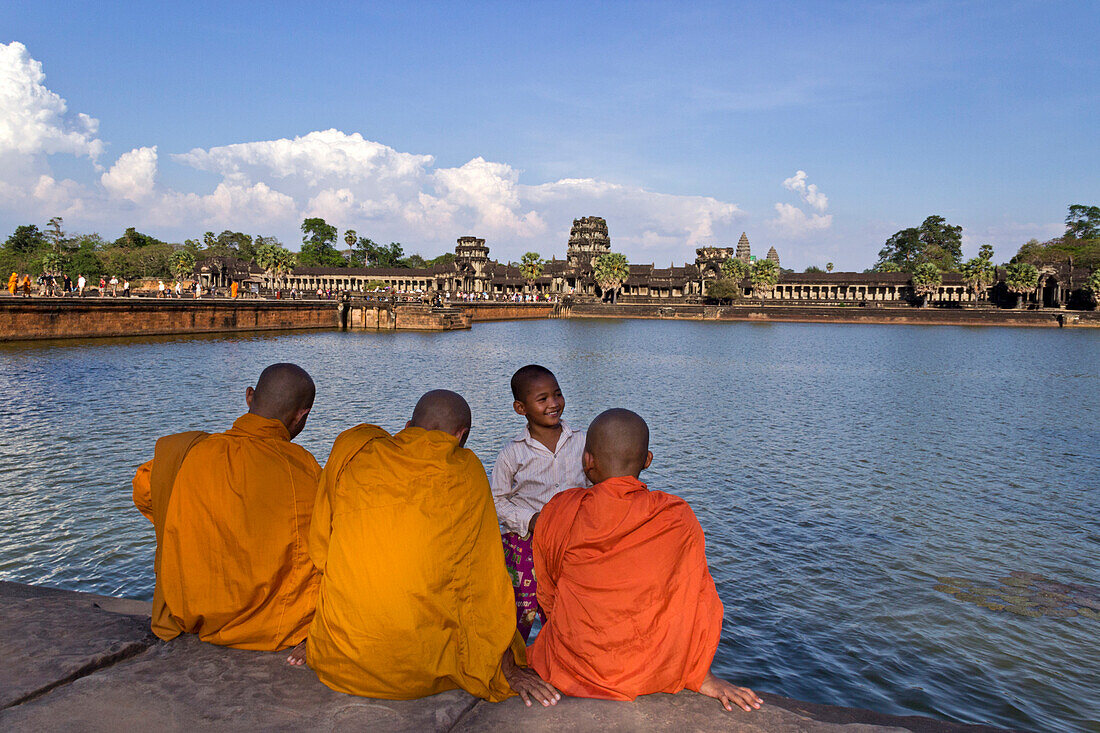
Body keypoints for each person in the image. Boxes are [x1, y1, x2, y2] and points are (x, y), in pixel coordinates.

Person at [298, 390, 559, 707]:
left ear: (407, 426)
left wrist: (321, 629)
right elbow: (483, 582)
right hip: (420, 672)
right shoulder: (463, 469)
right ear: (460, 436)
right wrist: (506, 667)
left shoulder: (352, 450)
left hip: (340, 658)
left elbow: (322, 549)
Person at [527, 409, 763, 713]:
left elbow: (546, 593)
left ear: (587, 462)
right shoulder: (675, 515)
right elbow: (697, 601)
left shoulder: (561, 509)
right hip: (654, 669)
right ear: (647, 460)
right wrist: (700, 674)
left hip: (574, 665)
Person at [131, 364, 322, 650]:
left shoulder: (187, 454)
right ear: (301, 415)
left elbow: (146, 491)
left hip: (194, 618)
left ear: (249, 396)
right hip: (279, 627)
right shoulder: (305, 468)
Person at [491, 365, 587, 642]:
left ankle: (562, 662)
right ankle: (511, 664)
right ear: (520, 408)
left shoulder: (582, 442)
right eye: (542, 399)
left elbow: (596, 487)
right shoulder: (513, 453)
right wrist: (531, 520)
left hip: (571, 544)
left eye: (557, 394)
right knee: (519, 609)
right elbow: (497, 500)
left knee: (567, 609)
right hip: (525, 544)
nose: (554, 404)